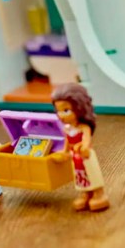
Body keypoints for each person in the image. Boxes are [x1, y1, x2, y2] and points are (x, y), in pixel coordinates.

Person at [51, 83, 109, 212]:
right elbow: (67, 141)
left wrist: (82, 146)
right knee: (79, 176)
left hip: (85, 156)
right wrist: (64, 152)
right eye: (58, 111)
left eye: (66, 110)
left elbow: (86, 140)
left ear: (80, 108)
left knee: (91, 174)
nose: (61, 115)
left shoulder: (84, 127)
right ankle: (85, 194)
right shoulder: (67, 128)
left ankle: (98, 193)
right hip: (74, 157)